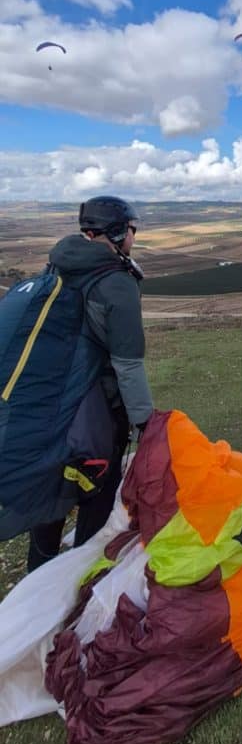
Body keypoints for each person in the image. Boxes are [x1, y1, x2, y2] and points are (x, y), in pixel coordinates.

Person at [27, 195, 154, 572]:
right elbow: (128, 364)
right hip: (96, 413)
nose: (133, 236)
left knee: (50, 496)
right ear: (116, 232)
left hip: (48, 406)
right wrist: (146, 423)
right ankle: (82, 578)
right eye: (131, 229)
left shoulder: (56, 266)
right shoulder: (117, 284)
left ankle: (38, 578)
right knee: (96, 493)